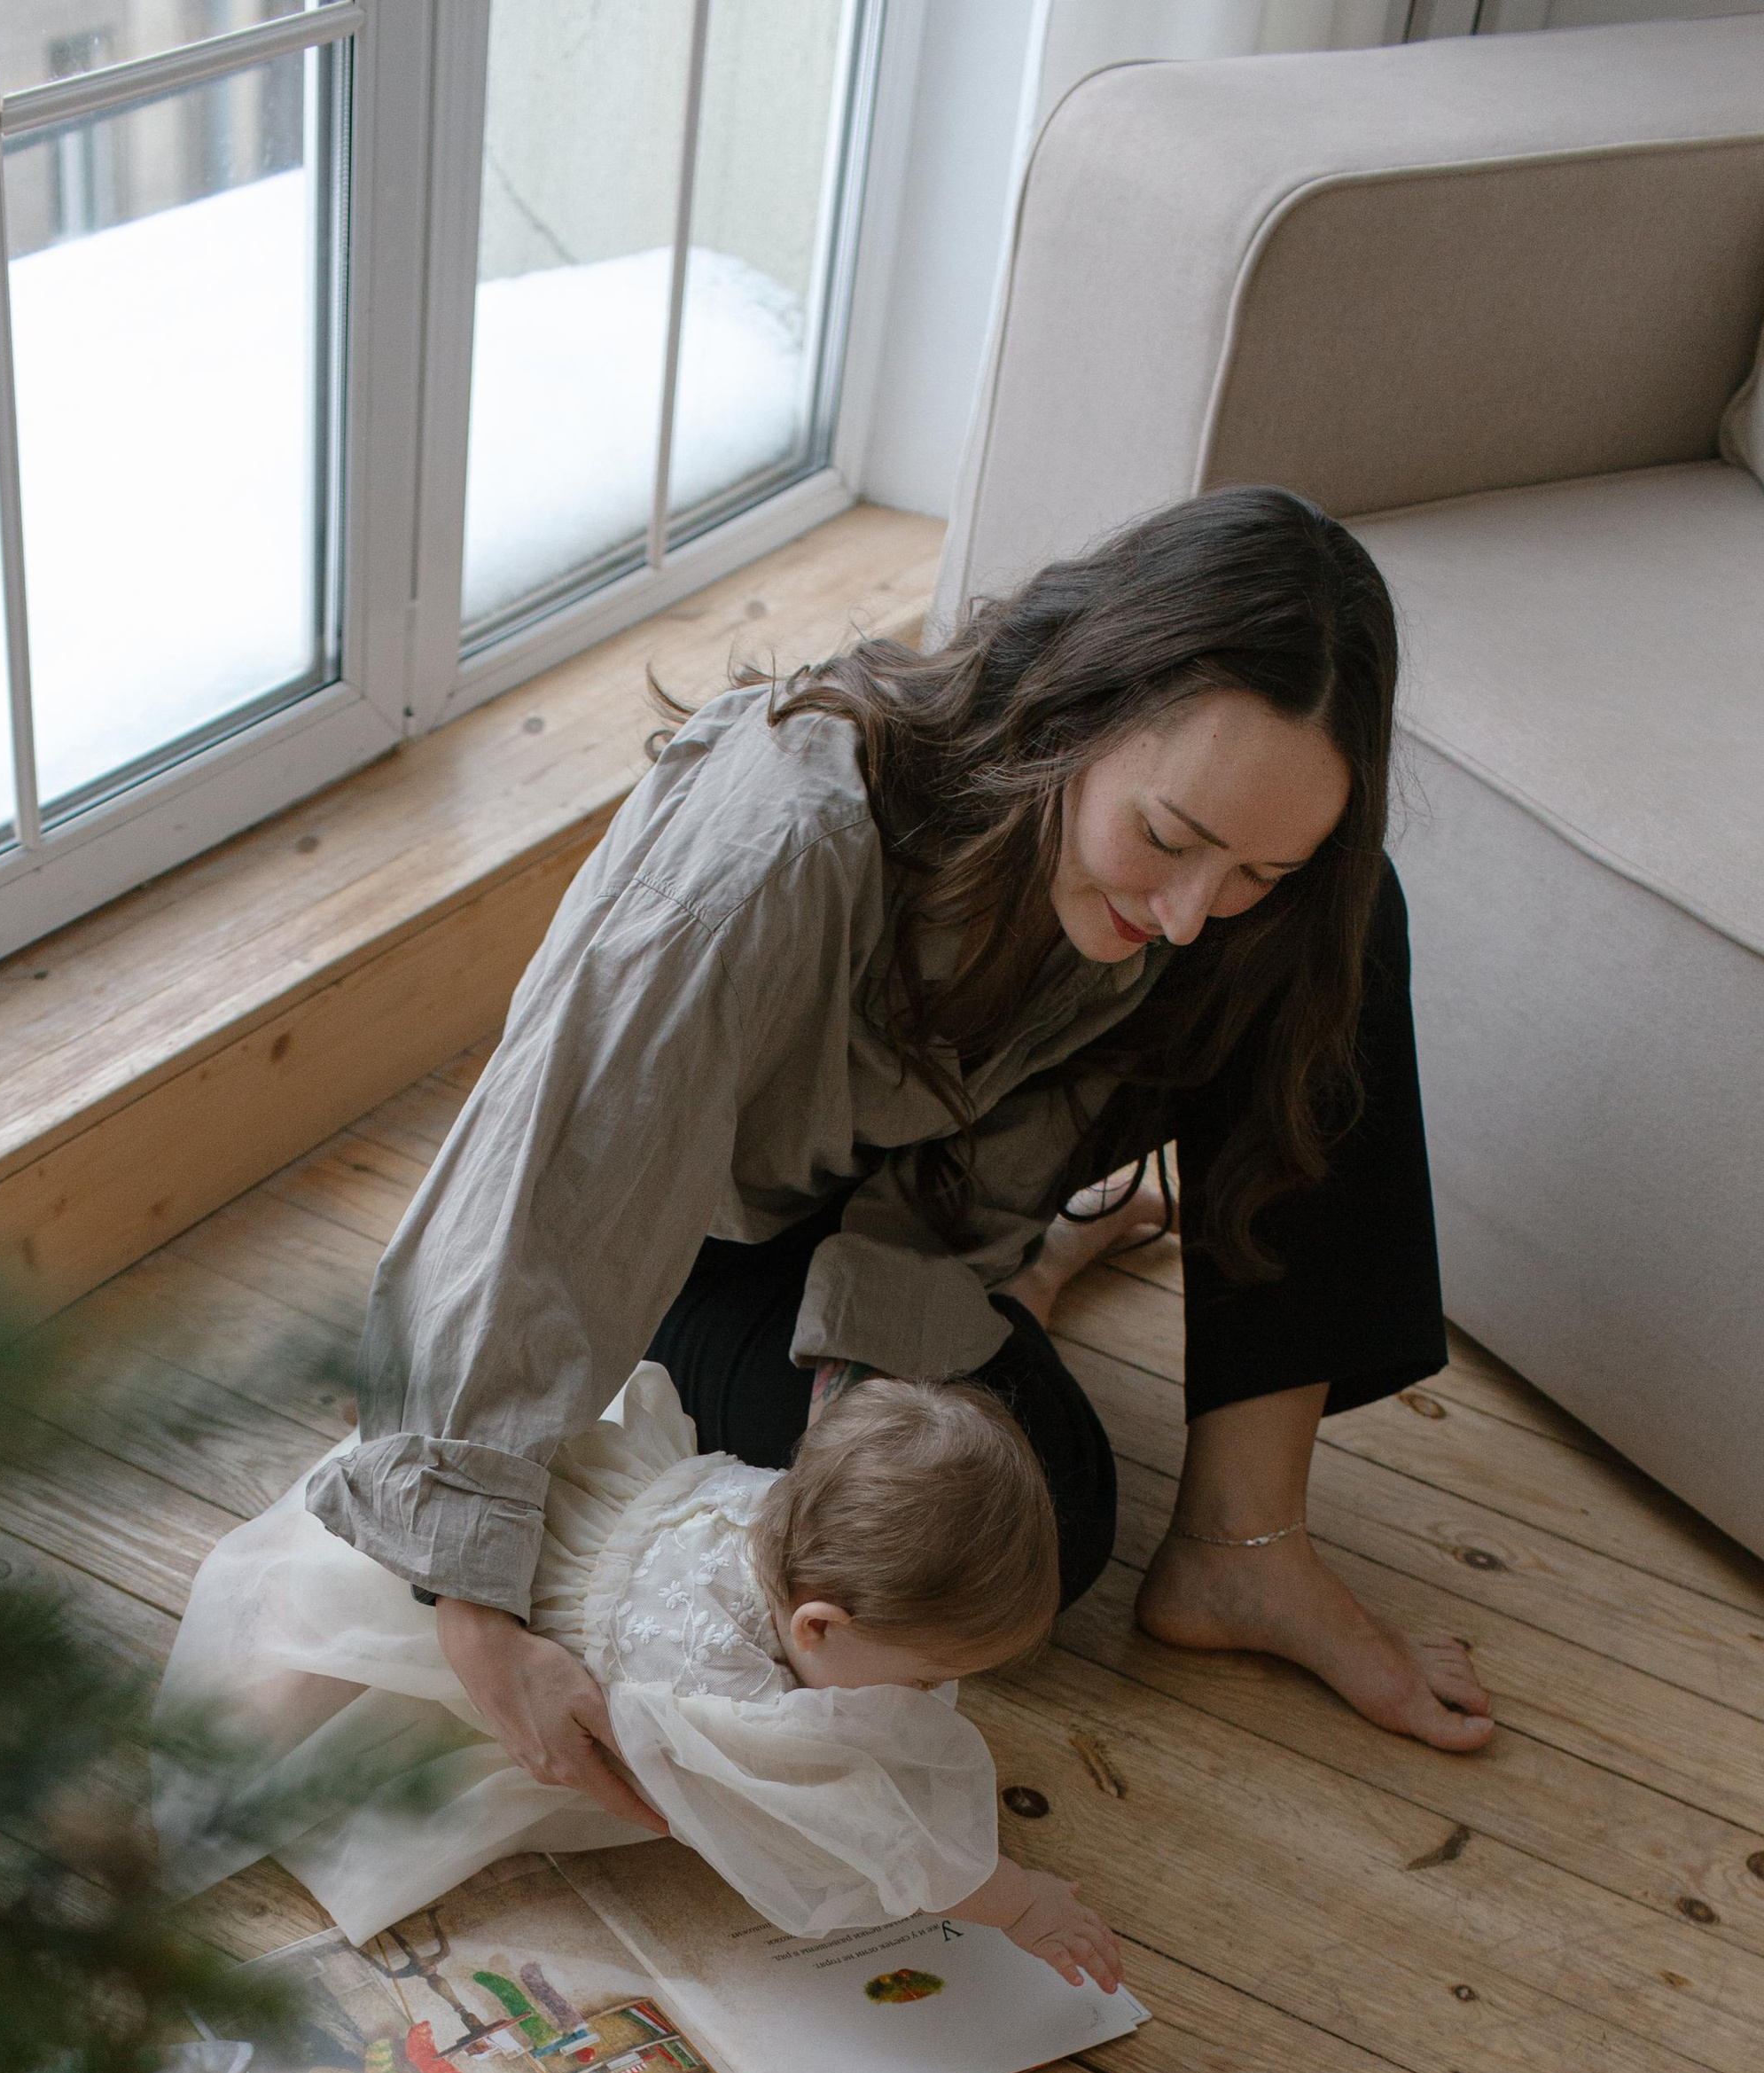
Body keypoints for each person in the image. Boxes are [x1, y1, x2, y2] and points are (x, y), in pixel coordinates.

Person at [305, 485, 1495, 1849]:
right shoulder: (779, 841)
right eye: (1167, 840)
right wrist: (475, 1610)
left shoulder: (1190, 901)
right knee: (1038, 1523)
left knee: (1345, 919)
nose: (1184, 914)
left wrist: (886, 1359)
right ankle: (1041, 1279)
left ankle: (1241, 1539)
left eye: (1246, 869)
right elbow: (548, 1183)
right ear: (1072, 712)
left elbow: (1170, 958)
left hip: (924, 1206)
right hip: (693, 1241)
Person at [156, 1362, 1121, 1987]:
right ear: (817, 1629)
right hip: (418, 1597)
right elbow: (850, 1834)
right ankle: (157, 1816)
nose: (927, 1699)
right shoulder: (718, 1689)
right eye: (924, 1678)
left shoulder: (790, 1512)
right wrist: (1016, 1900)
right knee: (291, 1706)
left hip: (572, 1495)